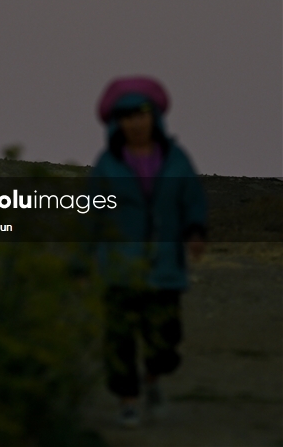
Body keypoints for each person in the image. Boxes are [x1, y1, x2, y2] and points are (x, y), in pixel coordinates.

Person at [87, 76, 207, 429]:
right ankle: (128, 400)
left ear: (153, 116)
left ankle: (153, 379)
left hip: (164, 268)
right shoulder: (106, 166)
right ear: (116, 123)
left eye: (140, 114)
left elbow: (192, 200)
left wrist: (195, 230)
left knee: (165, 342)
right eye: (126, 117)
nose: (134, 123)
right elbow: (91, 216)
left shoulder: (177, 160)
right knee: (119, 340)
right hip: (119, 271)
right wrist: (81, 263)